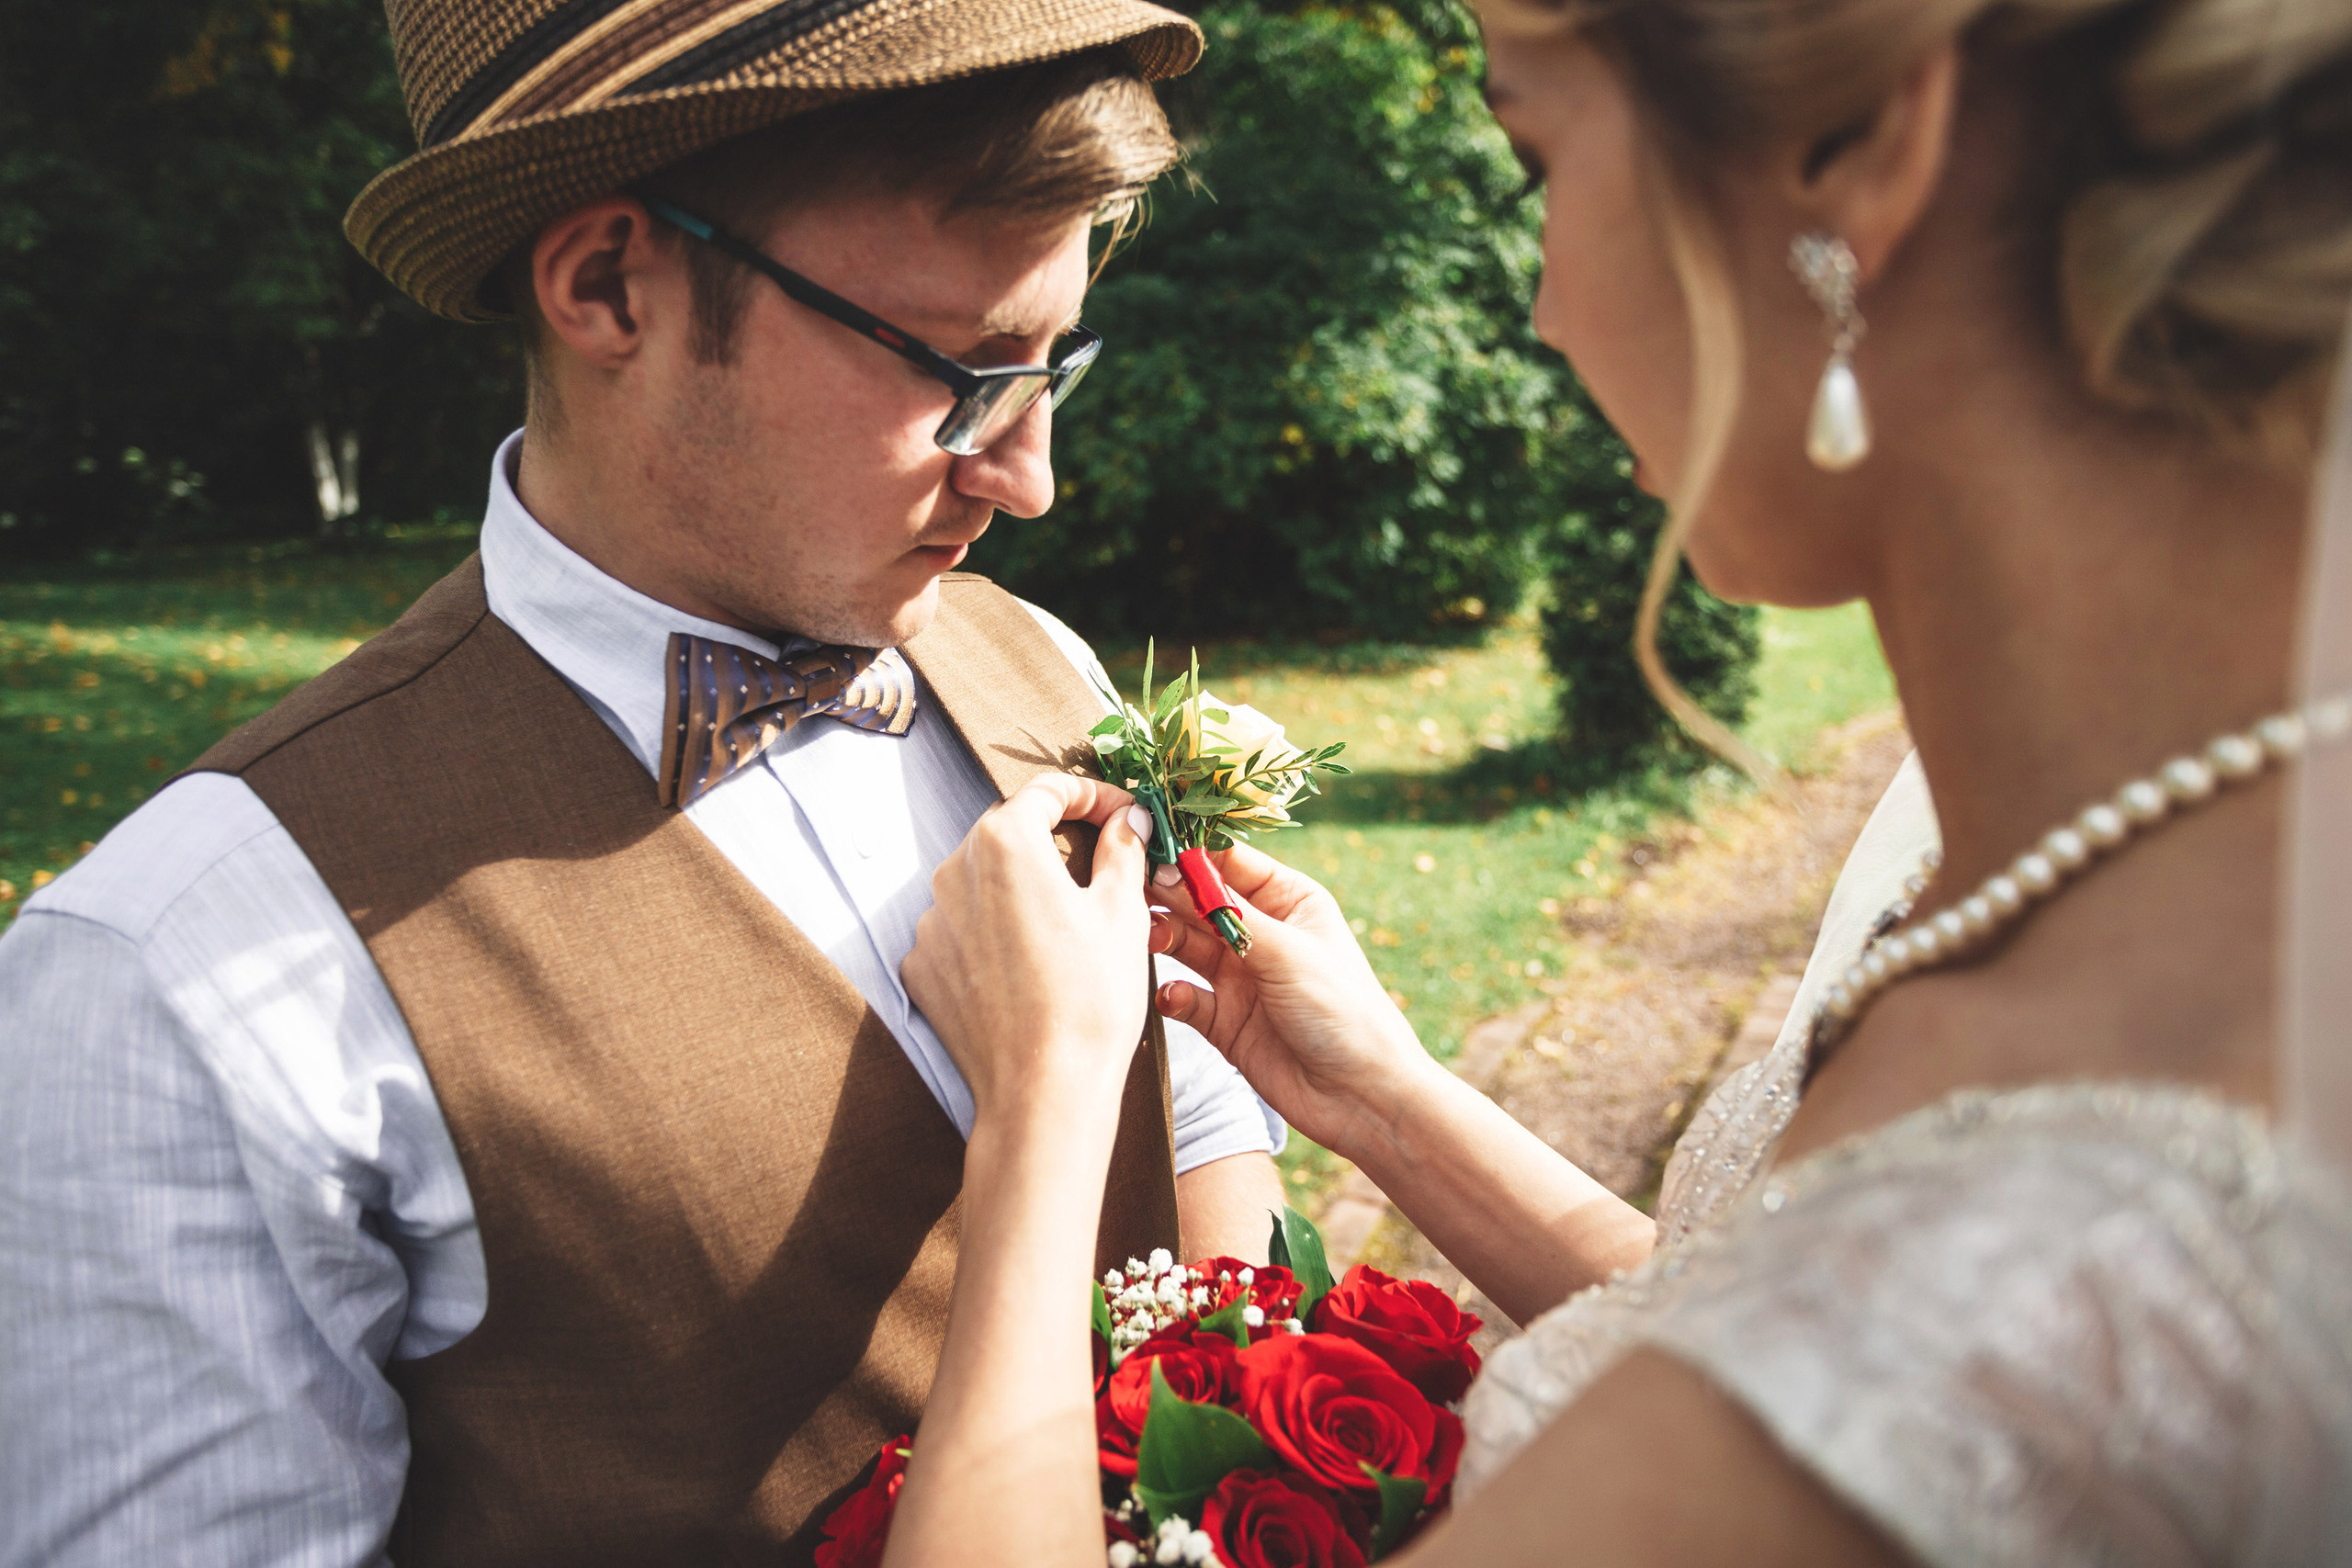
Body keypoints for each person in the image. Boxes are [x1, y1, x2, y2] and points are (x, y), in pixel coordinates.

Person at [881, 0, 2352, 1562]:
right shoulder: (2075, 837)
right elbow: (1799, 1352)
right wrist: (1381, 1096)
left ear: (1863, 160)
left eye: (1535, 162)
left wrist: (1042, 1113)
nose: (1545, 308)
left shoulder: (2122, 1155)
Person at [0, 1, 1291, 1562]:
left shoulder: (1048, 668)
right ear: (609, 284)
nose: (1027, 479)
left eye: (1050, 370)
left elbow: (1194, 1114)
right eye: (965, 375)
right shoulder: (174, 970)